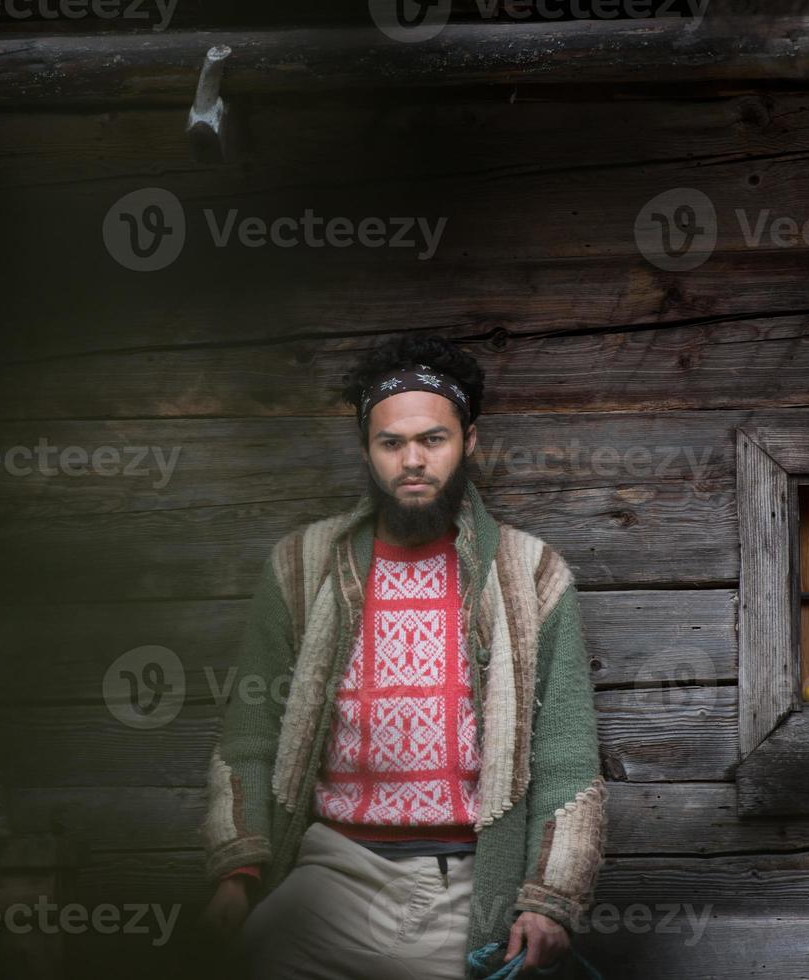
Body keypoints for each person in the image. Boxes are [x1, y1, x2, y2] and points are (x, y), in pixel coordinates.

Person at [198, 334, 607, 979]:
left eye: (432, 440)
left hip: (468, 881)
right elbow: (249, 735)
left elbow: (567, 756)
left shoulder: (531, 575)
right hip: (331, 867)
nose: (412, 461)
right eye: (391, 443)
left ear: (468, 442)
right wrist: (238, 871)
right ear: (367, 450)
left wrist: (549, 901)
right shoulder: (302, 568)